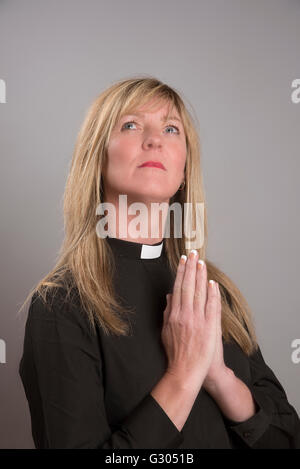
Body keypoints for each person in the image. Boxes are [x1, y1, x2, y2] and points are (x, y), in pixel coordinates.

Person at [18, 76, 300, 449]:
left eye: (171, 128)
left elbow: (286, 440)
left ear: (184, 169)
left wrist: (218, 376)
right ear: (97, 156)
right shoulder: (62, 302)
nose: (155, 140)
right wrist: (183, 375)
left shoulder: (213, 292)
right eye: (131, 125)